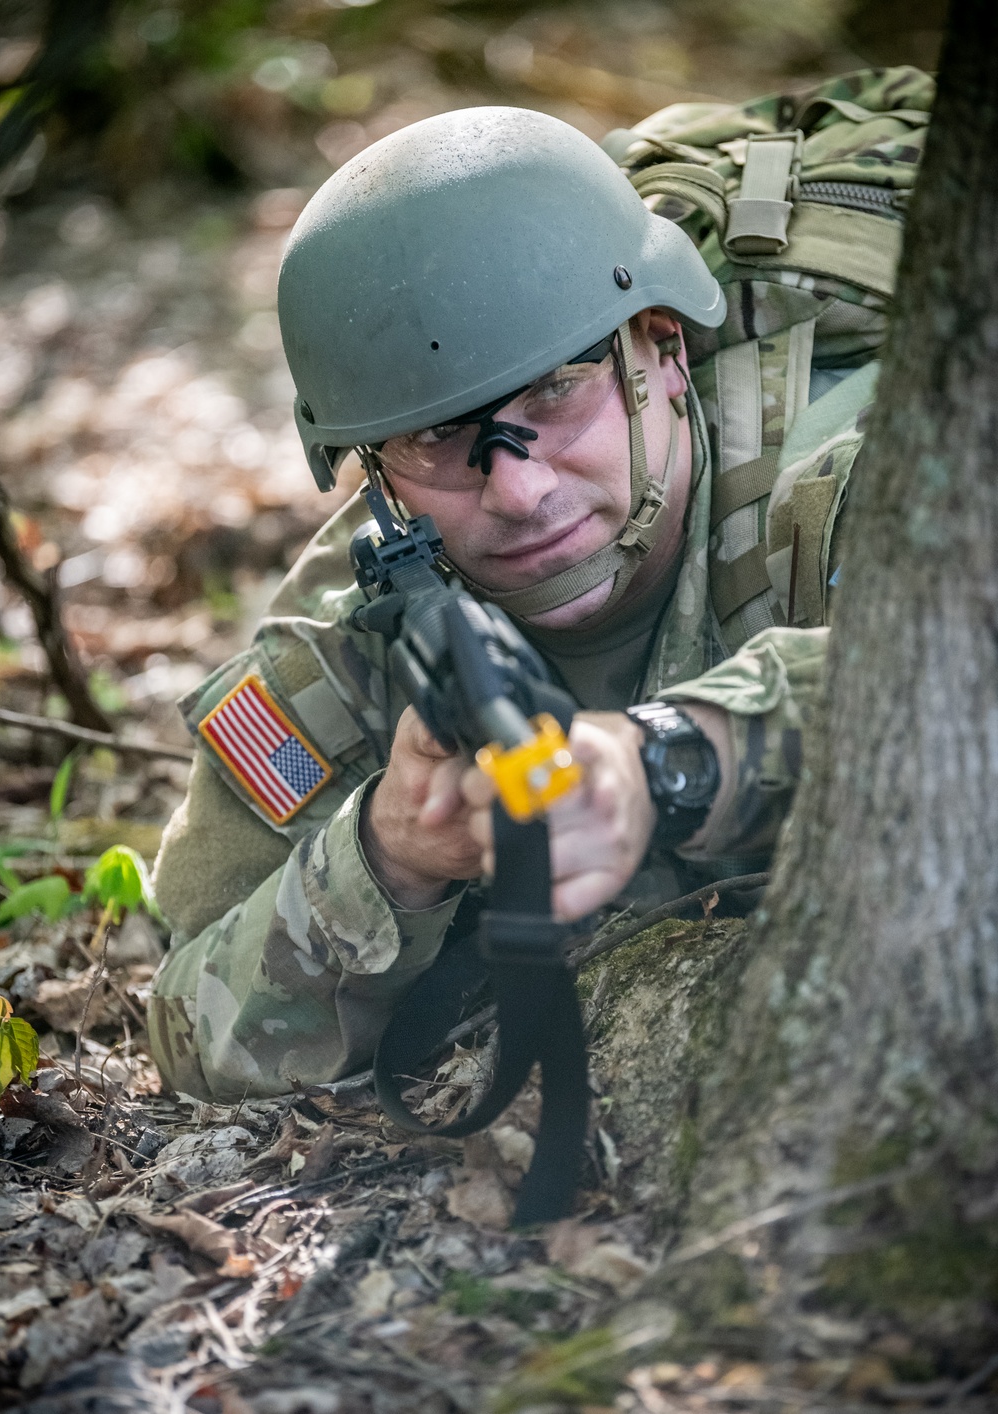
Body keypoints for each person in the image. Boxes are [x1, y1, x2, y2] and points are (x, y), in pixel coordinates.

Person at [146, 90, 916, 1100]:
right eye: (437, 438)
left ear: (660, 349)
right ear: (373, 471)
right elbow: (190, 1037)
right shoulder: (365, 627)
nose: (518, 487)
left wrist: (670, 759)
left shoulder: (856, 477)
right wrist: (389, 855)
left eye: (556, 390)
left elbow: (952, 688)